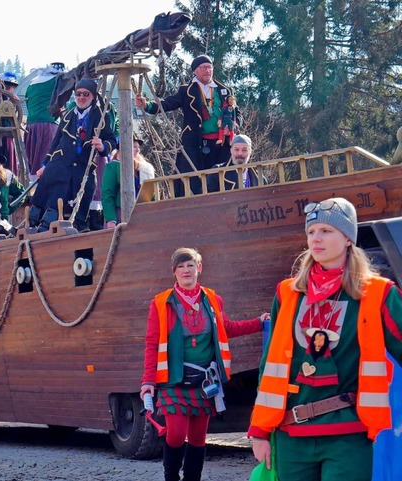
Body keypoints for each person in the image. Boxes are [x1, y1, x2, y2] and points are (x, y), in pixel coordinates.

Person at [248, 197, 402, 481]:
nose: (315, 239)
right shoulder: (287, 293)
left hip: (349, 433)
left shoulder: (378, 293)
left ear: (347, 238)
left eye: (326, 231)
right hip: (291, 434)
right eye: (311, 232)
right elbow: (269, 365)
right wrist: (259, 431)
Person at [141, 247, 268, 481]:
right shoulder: (161, 303)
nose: (186, 270)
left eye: (190, 265)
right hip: (173, 380)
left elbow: (226, 328)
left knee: (199, 438)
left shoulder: (212, 298)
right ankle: (171, 477)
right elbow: (151, 343)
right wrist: (148, 381)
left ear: (199, 268)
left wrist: (258, 323)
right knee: (176, 434)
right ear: (174, 272)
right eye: (181, 266)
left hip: (205, 381)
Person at [135, 55, 237, 195]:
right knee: (194, 180)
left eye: (209, 67)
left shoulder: (223, 90)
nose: (207, 71)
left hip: (221, 144)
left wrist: (232, 126)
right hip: (195, 144)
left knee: (221, 178)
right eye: (203, 68)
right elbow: (167, 104)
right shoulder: (187, 90)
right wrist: (147, 105)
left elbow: (236, 114)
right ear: (195, 71)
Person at [29, 78, 117, 233]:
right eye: (78, 94)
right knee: (52, 195)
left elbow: (110, 139)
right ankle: (39, 225)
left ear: (93, 97)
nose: (81, 97)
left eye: (86, 94)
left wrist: (103, 146)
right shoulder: (68, 115)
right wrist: (44, 165)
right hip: (60, 164)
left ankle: (80, 225)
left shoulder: (100, 116)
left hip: (83, 166)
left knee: (86, 189)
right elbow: (55, 142)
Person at [102, 135, 156, 228]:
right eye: (134, 147)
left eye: (138, 147)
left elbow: (150, 193)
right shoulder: (113, 167)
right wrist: (111, 219)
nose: (137, 150)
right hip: (120, 214)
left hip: (141, 212)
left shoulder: (143, 169)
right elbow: (108, 194)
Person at [24, 62, 66, 180]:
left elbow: (28, 104)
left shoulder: (31, 85)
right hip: (48, 125)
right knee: (48, 157)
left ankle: (34, 187)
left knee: (33, 158)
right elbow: (60, 101)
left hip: (31, 126)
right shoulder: (57, 81)